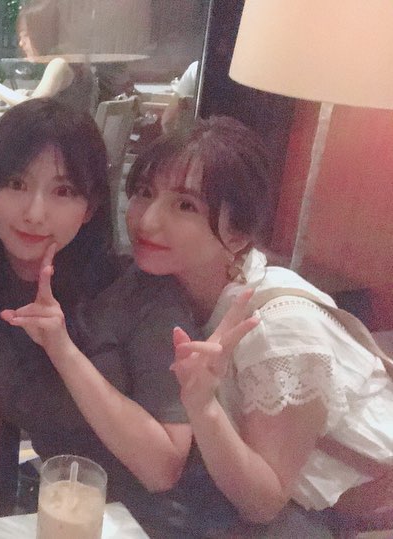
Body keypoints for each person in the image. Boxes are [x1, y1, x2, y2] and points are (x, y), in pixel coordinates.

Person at [0, 97, 238, 537]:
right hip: (63, 514)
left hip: (162, 522)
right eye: (16, 183)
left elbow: (163, 469)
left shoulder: (140, 294)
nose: (34, 213)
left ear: (92, 206)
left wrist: (62, 349)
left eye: (63, 191)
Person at [130, 116, 393, 534]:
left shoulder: (276, 331)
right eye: (145, 193)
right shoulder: (173, 291)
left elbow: (263, 502)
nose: (146, 221)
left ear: (238, 235)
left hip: (352, 513)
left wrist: (203, 406)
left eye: (185, 205)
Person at [0, 0, 97, 114]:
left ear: (40, 35)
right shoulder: (67, 58)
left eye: (25, 35)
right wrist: (28, 93)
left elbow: (32, 106)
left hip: (61, 134)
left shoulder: (58, 63)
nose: (21, 43)